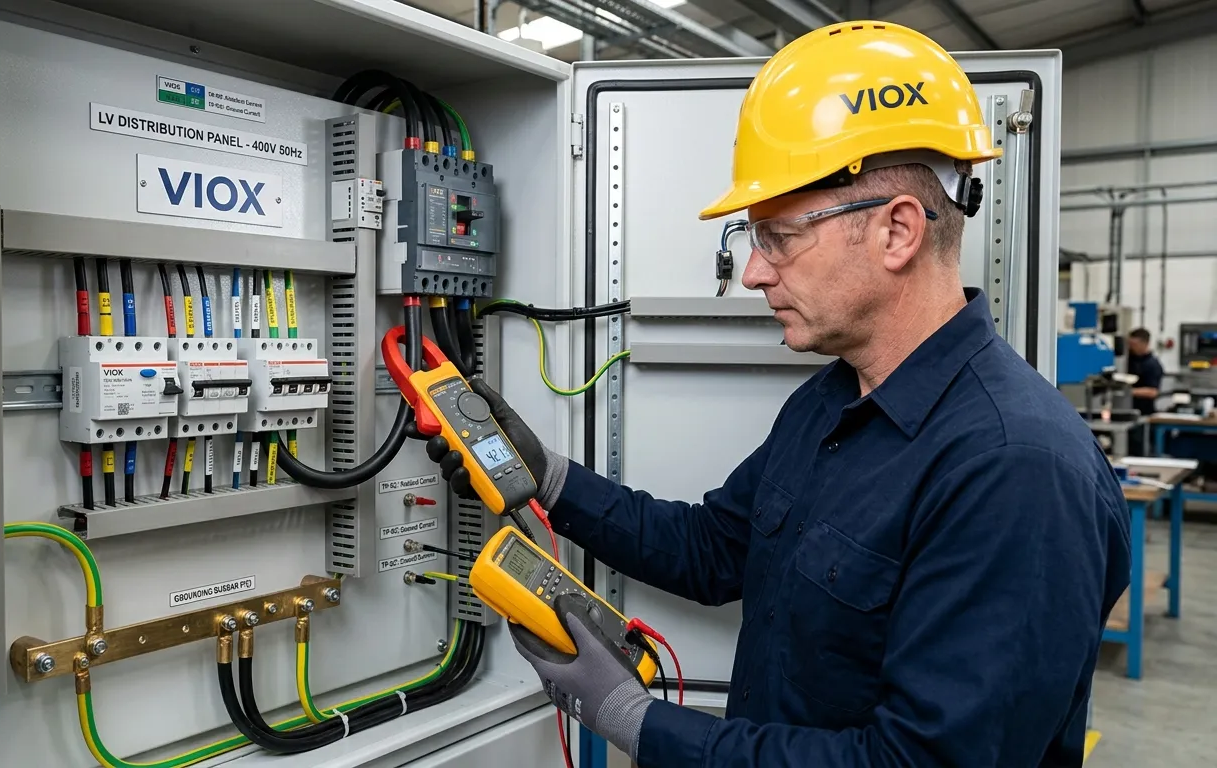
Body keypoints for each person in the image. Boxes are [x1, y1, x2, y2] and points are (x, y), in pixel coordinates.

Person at [430, 21, 1130, 768]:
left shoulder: (1016, 470)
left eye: (778, 237)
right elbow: (712, 550)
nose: (757, 273)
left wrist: (637, 722)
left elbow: (919, 763)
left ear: (897, 232)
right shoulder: (831, 401)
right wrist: (550, 477)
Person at [1126, 327, 1164, 415]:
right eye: (1130, 344)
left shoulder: (1152, 365)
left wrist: (1128, 392)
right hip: (1127, 409)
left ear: (1145, 344)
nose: (1131, 347)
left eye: (1134, 345)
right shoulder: (1129, 359)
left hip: (1143, 412)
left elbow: (1153, 392)